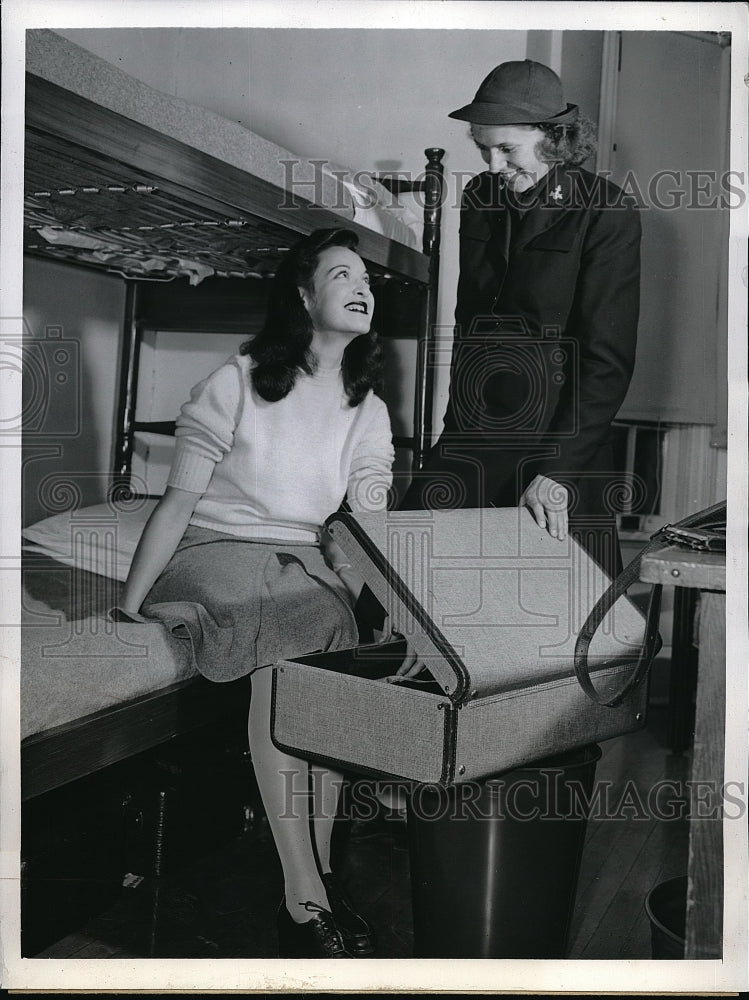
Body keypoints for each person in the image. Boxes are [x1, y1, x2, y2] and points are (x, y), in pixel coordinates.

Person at [116, 228, 394, 959]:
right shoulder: (234, 381)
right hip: (215, 550)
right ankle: (303, 898)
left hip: (296, 560)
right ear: (303, 298)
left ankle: (319, 881)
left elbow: (367, 526)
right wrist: (129, 600)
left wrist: (368, 602)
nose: (361, 285)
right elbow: (176, 505)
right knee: (285, 618)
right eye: (341, 274)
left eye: (365, 276)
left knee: (328, 647)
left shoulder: (367, 408)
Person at [402, 59, 641, 578]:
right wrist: (454, 426)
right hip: (477, 429)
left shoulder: (605, 211)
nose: (491, 164)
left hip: (560, 439)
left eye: (506, 149)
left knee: (570, 620)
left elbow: (607, 359)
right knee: (403, 571)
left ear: (553, 138)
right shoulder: (479, 197)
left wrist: (558, 472)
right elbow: (470, 325)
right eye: (482, 147)